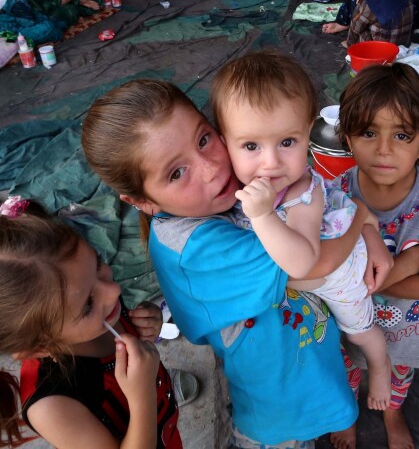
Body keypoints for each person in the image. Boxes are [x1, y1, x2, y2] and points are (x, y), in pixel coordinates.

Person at [81, 79, 359, 448]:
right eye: (176, 173)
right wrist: (364, 218)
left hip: (300, 367)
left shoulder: (224, 198)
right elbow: (313, 263)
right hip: (277, 405)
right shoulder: (196, 247)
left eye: (203, 139)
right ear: (140, 201)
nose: (211, 169)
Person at [210, 51, 394, 411]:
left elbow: (302, 264)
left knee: (358, 329)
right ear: (224, 142)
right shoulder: (241, 183)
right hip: (310, 282)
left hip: (339, 273)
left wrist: (263, 217)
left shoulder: (301, 194)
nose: (271, 162)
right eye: (250, 146)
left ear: (308, 132)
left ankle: (380, 365)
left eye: (287, 142)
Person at [0, 199, 182, 448]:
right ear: (39, 347)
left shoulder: (98, 308)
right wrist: (142, 395)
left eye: (98, 263)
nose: (113, 292)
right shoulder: (53, 406)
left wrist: (148, 322)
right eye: (88, 303)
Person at [330, 63, 419, 449]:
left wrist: (353, 284)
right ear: (347, 137)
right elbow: (320, 270)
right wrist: (408, 262)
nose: (384, 149)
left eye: (403, 135)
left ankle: (392, 413)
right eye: (369, 132)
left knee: (397, 374)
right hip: (345, 328)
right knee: (344, 371)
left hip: (404, 325)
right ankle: (347, 414)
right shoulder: (332, 194)